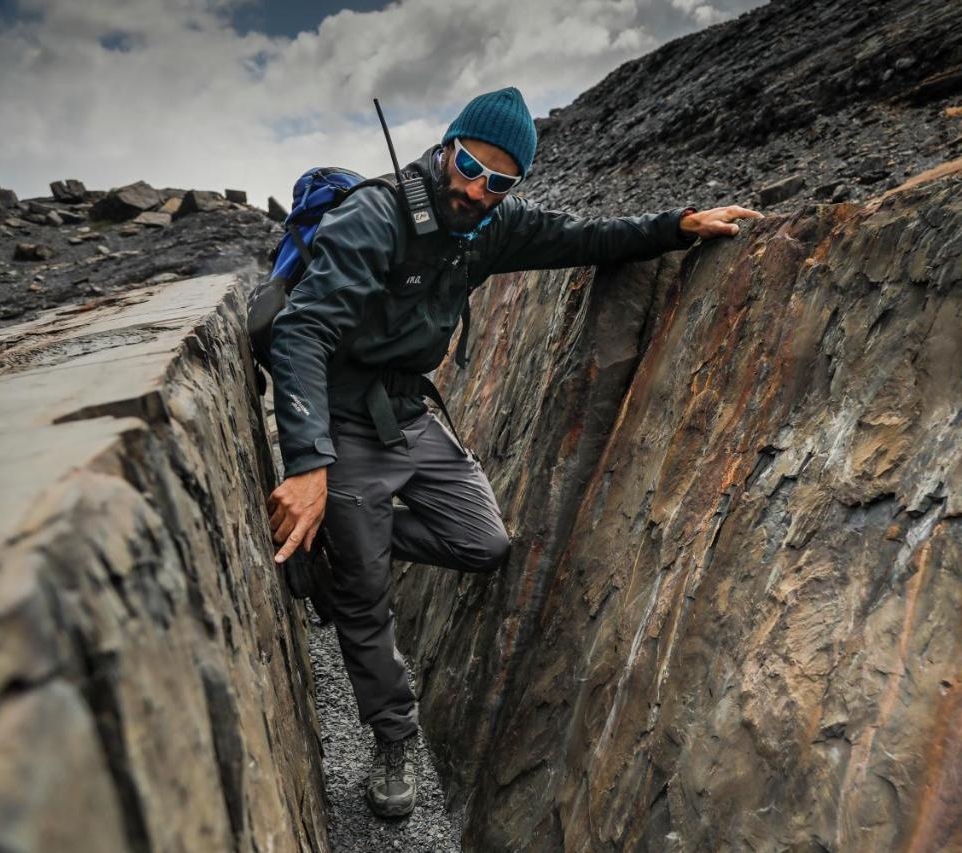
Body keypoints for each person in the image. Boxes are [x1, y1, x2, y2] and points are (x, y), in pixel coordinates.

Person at [264, 86, 761, 819]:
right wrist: (309, 464)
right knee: (365, 600)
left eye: (498, 180)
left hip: (407, 412)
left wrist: (677, 226)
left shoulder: (486, 227)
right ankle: (394, 739)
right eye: (469, 166)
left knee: (483, 541)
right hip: (345, 420)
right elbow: (300, 333)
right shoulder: (374, 218)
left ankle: (345, 543)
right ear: (446, 146)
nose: (476, 188)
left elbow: (582, 238)